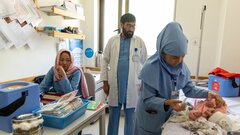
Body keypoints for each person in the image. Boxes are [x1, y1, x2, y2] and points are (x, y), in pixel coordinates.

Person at [133, 22, 225, 135]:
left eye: (183, 56)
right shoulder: (150, 68)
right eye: (174, 57)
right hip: (150, 118)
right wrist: (166, 102)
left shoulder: (181, 67)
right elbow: (147, 100)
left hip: (168, 115)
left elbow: (189, 89)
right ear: (163, 52)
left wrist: (209, 93)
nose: (179, 61)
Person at [101, 13, 148, 135]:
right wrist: (105, 82)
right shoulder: (112, 41)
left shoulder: (139, 42)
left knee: (131, 118)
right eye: (128, 25)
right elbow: (104, 60)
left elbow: (146, 64)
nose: (131, 29)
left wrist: (144, 83)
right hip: (115, 84)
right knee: (113, 117)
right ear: (122, 25)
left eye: (133, 26)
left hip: (133, 85)